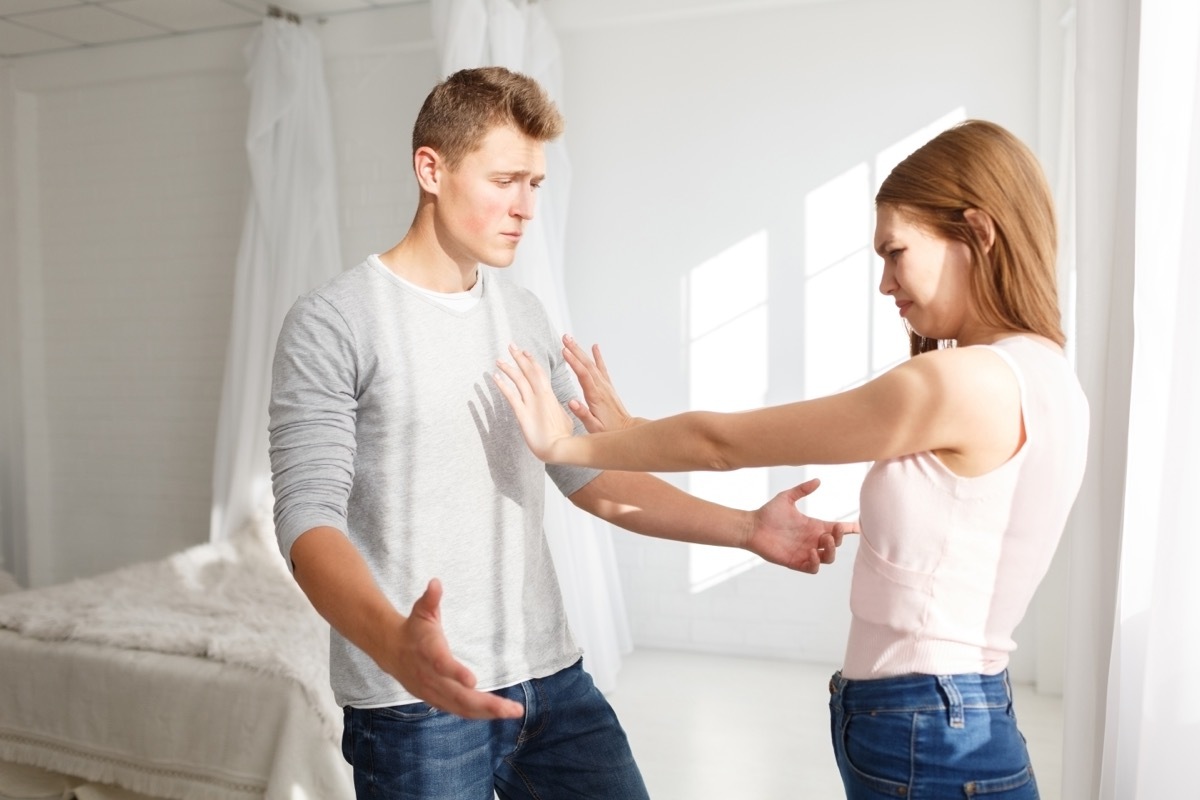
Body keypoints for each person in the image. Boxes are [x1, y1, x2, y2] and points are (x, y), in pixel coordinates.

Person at [268, 65, 847, 800]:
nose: (525, 208)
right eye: (506, 180)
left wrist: (747, 528)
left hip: (552, 681)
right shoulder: (334, 321)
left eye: (535, 184)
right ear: (431, 169)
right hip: (416, 703)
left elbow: (590, 476)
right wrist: (393, 644)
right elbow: (306, 516)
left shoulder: (525, 314)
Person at [495, 119, 1089, 799]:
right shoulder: (1047, 374)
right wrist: (634, 429)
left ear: (978, 233)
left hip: (926, 725)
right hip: (961, 713)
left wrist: (565, 444)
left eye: (895, 252)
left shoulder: (959, 382)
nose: (885, 284)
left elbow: (726, 444)